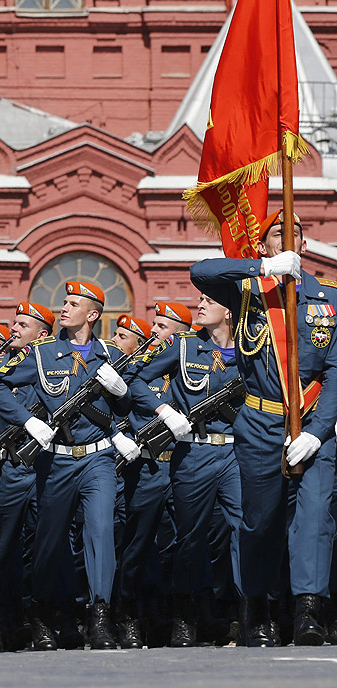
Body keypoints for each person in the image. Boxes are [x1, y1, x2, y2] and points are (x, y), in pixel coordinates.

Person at [191, 210, 337, 646]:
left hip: (312, 421)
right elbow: (200, 271)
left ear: (305, 246)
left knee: (315, 514)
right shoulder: (248, 293)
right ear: (266, 246)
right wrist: (263, 268)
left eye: (294, 232)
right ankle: (257, 606)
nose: (287, 237)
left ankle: (310, 608)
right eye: (277, 233)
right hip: (260, 422)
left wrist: (317, 431)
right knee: (260, 521)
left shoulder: (328, 299)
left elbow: (335, 372)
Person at [0, 281, 134, 650]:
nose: (64, 307)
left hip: (98, 457)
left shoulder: (110, 354)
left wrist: (122, 394)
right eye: (64, 301)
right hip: (55, 461)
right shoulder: (42, 353)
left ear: (93, 314)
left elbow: (129, 406)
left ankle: (100, 616)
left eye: (73, 303)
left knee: (100, 531)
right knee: (49, 542)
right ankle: (45, 615)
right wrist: (27, 421)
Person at [130, 293, 243, 647]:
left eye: (210, 299)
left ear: (229, 311)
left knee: (243, 531)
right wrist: (164, 410)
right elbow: (136, 381)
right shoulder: (183, 346)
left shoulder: (249, 348)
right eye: (200, 298)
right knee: (190, 537)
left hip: (237, 454)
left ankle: (247, 614)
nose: (201, 304)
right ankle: (184, 617)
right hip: (194, 451)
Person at [0, 302, 54, 651]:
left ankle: (38, 619)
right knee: (0, 546)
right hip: (7, 467)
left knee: (40, 547)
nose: (14, 329)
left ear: (42, 334)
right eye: (13, 323)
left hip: (43, 466)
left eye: (23, 325)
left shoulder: (51, 366)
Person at [112, 304, 189, 648]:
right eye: (154, 324)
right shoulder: (136, 367)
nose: (155, 331)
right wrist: (117, 433)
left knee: (180, 545)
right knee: (139, 545)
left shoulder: (190, 365)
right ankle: (130, 616)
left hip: (183, 464)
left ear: (181, 332)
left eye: (162, 325)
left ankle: (175, 618)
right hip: (146, 466)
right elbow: (112, 405)